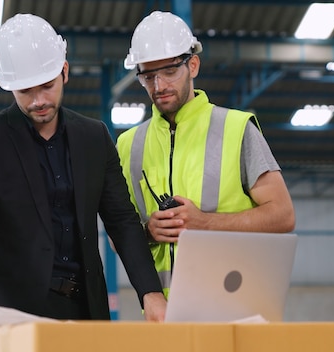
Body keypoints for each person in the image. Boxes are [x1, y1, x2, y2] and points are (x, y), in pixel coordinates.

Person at [0, 13, 166, 338]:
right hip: (8, 315)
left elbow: (122, 221)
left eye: (47, 86)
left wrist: (149, 292)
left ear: (64, 71)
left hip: (85, 311)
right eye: (25, 91)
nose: (38, 100)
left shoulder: (94, 137)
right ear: (9, 86)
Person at [117, 11, 296, 297]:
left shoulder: (236, 129)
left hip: (236, 304)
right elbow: (118, 234)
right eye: (148, 76)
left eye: (169, 71)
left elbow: (282, 216)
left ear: (194, 65)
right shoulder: (128, 145)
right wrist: (148, 231)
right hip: (166, 316)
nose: (159, 86)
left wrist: (205, 223)